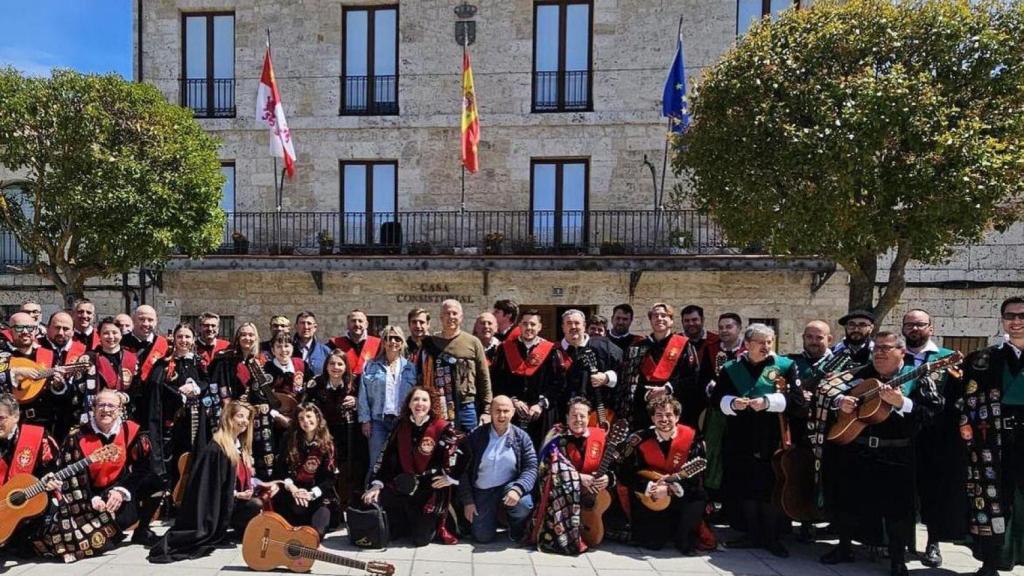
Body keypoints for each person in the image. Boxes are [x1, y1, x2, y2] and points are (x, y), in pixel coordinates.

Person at [820, 332, 942, 576]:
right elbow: (826, 389)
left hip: (896, 452)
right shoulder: (860, 373)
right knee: (847, 500)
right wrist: (839, 401)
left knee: (897, 509)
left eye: (886, 348)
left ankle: (898, 559)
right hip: (858, 447)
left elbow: (933, 413)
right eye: (877, 349)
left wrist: (901, 403)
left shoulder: (918, 378)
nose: (879, 353)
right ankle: (844, 547)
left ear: (902, 352)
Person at [712, 323, 804, 558]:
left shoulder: (785, 366)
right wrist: (732, 403)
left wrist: (769, 402)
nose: (766, 347)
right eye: (761, 342)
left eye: (769, 342)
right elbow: (716, 399)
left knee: (770, 486)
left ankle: (771, 536)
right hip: (740, 436)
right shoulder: (731, 368)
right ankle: (751, 533)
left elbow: (798, 401)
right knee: (746, 486)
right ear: (748, 344)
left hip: (771, 436)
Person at [40, 389, 162, 560]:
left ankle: (142, 531)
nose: (106, 409)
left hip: (119, 491)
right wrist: (92, 499)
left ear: (120, 410)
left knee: (156, 482)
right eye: (101, 405)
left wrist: (121, 490)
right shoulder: (77, 437)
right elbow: (70, 478)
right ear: (93, 408)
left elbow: (144, 468)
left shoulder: (131, 431)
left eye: (111, 405)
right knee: (93, 542)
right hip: (87, 497)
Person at [148, 400, 267, 562]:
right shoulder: (216, 449)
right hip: (215, 508)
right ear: (228, 418)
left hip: (231, 503)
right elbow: (211, 488)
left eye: (247, 418)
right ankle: (220, 530)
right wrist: (237, 494)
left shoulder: (239, 447)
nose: (245, 421)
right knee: (255, 505)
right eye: (240, 416)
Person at [958, 296, 1024, 576]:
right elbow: (964, 400)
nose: (1017, 321)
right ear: (1002, 319)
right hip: (994, 443)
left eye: (1023, 316)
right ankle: (991, 562)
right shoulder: (982, 359)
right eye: (1010, 316)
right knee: (995, 500)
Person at [362, 386, 465, 546]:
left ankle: (427, 522)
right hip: (403, 486)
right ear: (409, 404)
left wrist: (451, 478)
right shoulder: (400, 426)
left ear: (431, 404)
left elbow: (465, 450)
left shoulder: (441, 428)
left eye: (424, 400)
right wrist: (377, 484)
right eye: (415, 399)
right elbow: (387, 456)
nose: (420, 403)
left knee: (420, 540)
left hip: (429, 489)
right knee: (386, 526)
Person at [902, 309, 964, 567]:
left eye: (920, 325)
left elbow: (959, 395)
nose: (914, 329)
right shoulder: (895, 356)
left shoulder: (948, 358)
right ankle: (903, 542)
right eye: (909, 325)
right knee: (903, 490)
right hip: (900, 434)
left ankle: (933, 544)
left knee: (933, 492)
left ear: (931, 328)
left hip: (936, 437)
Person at [620, 396, 707, 553]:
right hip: (651, 495)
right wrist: (650, 486)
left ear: (677, 417)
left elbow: (695, 477)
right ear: (652, 418)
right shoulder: (639, 439)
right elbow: (627, 473)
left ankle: (684, 538)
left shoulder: (692, 439)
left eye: (669, 415)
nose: (664, 419)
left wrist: (669, 489)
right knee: (653, 544)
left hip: (681, 491)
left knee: (699, 495)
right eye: (659, 415)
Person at [533, 397, 614, 554]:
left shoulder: (600, 437)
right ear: (567, 418)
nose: (578, 420)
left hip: (591, 495)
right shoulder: (556, 437)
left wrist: (608, 478)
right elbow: (547, 468)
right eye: (574, 416)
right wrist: (578, 478)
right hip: (562, 498)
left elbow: (614, 466)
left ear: (589, 417)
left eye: (582, 416)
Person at [147, 323, 219, 499]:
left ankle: (191, 499)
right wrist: (180, 392)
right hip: (173, 419)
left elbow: (207, 383)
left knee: (193, 457)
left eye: (187, 337)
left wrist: (197, 388)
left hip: (196, 420)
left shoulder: (199, 362)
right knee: (172, 459)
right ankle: (171, 499)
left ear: (193, 340)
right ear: (174, 339)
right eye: (180, 337)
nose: (183, 340)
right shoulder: (164, 364)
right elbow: (158, 386)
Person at [210, 323, 286, 480]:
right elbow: (221, 389)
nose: (247, 338)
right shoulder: (225, 360)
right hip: (232, 416)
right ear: (238, 337)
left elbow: (266, 395)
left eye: (251, 335)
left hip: (255, 418)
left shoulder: (261, 362)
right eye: (243, 334)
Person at [459, 396, 537, 543]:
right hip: (482, 490)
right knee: (482, 537)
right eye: (497, 411)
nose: (502, 415)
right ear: (490, 412)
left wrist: (518, 489)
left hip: (508, 487)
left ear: (513, 412)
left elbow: (531, 467)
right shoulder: (476, 436)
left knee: (523, 504)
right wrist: (468, 501)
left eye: (506, 411)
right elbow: (462, 470)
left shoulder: (522, 437)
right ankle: (493, 519)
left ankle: (515, 527)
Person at [0, 393, 61, 558]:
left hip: (27, 508)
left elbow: (52, 469)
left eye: (1, 418)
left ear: (16, 416)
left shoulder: (37, 437)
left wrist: (49, 479)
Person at [417, 299, 493, 431]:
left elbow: (483, 378)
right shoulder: (429, 344)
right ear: (441, 317)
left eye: (454, 313)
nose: (451, 317)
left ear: (461, 317)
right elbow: (420, 376)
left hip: (467, 406)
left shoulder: (473, 342)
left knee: (468, 447)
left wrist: (487, 410)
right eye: (447, 313)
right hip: (438, 405)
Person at [491, 309, 561, 445]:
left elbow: (557, 383)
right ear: (519, 326)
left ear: (540, 327)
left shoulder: (551, 351)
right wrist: (512, 401)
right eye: (525, 324)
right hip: (511, 412)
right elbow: (496, 380)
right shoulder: (504, 349)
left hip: (540, 413)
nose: (529, 328)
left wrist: (540, 405)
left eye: (533, 324)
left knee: (538, 452)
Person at [301, 349, 360, 510]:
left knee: (346, 469)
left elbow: (366, 402)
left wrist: (356, 400)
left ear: (346, 366)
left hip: (348, 433)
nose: (336, 367)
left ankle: (345, 504)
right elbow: (305, 407)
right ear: (326, 365)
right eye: (332, 363)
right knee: (325, 468)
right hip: (322, 433)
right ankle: (327, 504)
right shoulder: (316, 383)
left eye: (340, 364)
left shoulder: (355, 383)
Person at [272, 403, 340, 538]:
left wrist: (311, 494)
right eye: (301, 418)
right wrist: (292, 488)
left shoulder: (328, 443)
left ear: (317, 418)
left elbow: (330, 478)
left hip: (317, 494)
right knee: (289, 530)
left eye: (309, 416)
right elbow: (280, 468)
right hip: (293, 492)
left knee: (316, 534)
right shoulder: (289, 439)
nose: (306, 421)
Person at [627, 303, 700, 429]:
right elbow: (630, 379)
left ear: (671, 321)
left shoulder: (684, 345)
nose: (659, 318)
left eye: (664, 315)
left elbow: (693, 377)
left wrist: (667, 389)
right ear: (650, 320)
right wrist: (646, 394)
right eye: (655, 316)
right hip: (645, 411)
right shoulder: (639, 347)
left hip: (675, 410)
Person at [3, 311, 72, 435]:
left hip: (41, 424)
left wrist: (58, 386)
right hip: (6, 426)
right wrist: (14, 373)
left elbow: (61, 398)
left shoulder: (49, 355)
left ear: (35, 330)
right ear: (10, 330)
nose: (25, 331)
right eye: (19, 327)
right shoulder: (3, 355)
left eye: (30, 327)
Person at [359, 325, 417, 471]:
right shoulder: (371, 366)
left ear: (402, 342)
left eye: (397, 338)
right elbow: (363, 395)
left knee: (401, 462)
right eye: (388, 338)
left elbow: (416, 396)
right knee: (376, 464)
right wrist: (365, 420)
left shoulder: (410, 368)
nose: (393, 341)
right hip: (378, 422)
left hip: (402, 421)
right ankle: (370, 492)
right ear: (383, 342)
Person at [556, 309, 622, 426]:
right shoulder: (554, 351)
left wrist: (607, 377)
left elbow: (623, 370)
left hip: (596, 415)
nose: (573, 326)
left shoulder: (604, 347)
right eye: (569, 323)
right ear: (563, 327)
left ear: (584, 325)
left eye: (577, 323)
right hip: (563, 414)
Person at [122, 305, 169, 425]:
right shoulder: (121, 341)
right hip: (125, 400)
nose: (146, 323)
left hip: (153, 402)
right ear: (133, 320)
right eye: (141, 319)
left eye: (150, 320)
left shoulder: (165, 345)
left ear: (156, 322)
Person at [329, 310, 381, 387]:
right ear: (347, 324)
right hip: (343, 390)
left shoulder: (378, 344)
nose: (357, 324)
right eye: (353, 321)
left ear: (366, 324)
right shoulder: (334, 344)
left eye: (360, 321)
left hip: (370, 390)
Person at [263, 333, 308, 397]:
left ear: (292, 348)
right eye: (279, 346)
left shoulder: (301, 364)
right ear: (273, 350)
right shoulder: (266, 369)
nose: (283, 350)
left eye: (286, 346)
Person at [292, 311, 331, 378]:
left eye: (309, 323)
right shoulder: (287, 351)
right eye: (302, 323)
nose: (306, 327)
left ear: (315, 327)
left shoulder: (325, 351)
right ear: (296, 326)